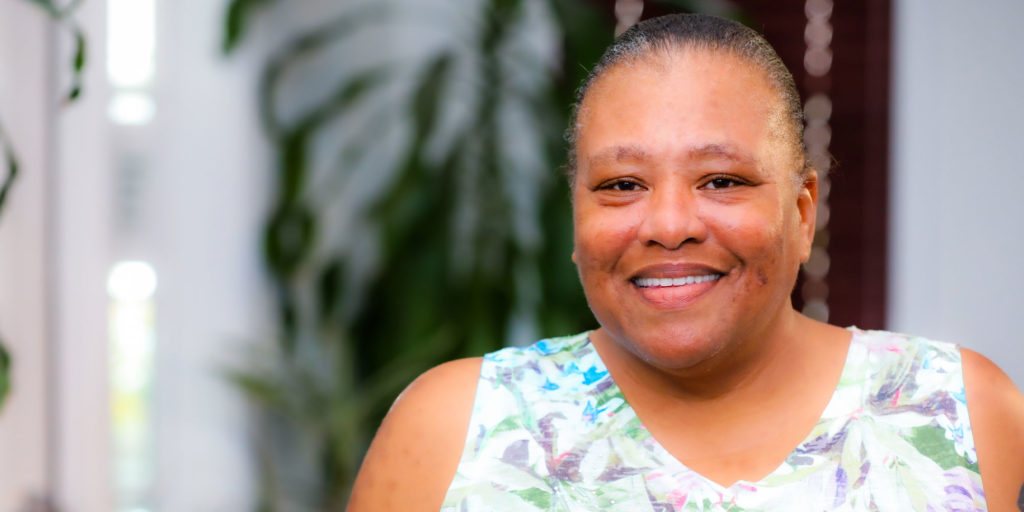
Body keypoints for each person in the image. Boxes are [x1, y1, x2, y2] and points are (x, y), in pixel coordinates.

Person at [347, 13, 1024, 511]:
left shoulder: (957, 411)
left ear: (802, 208)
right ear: (575, 214)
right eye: (621, 186)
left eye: (722, 180)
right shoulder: (457, 428)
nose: (669, 226)